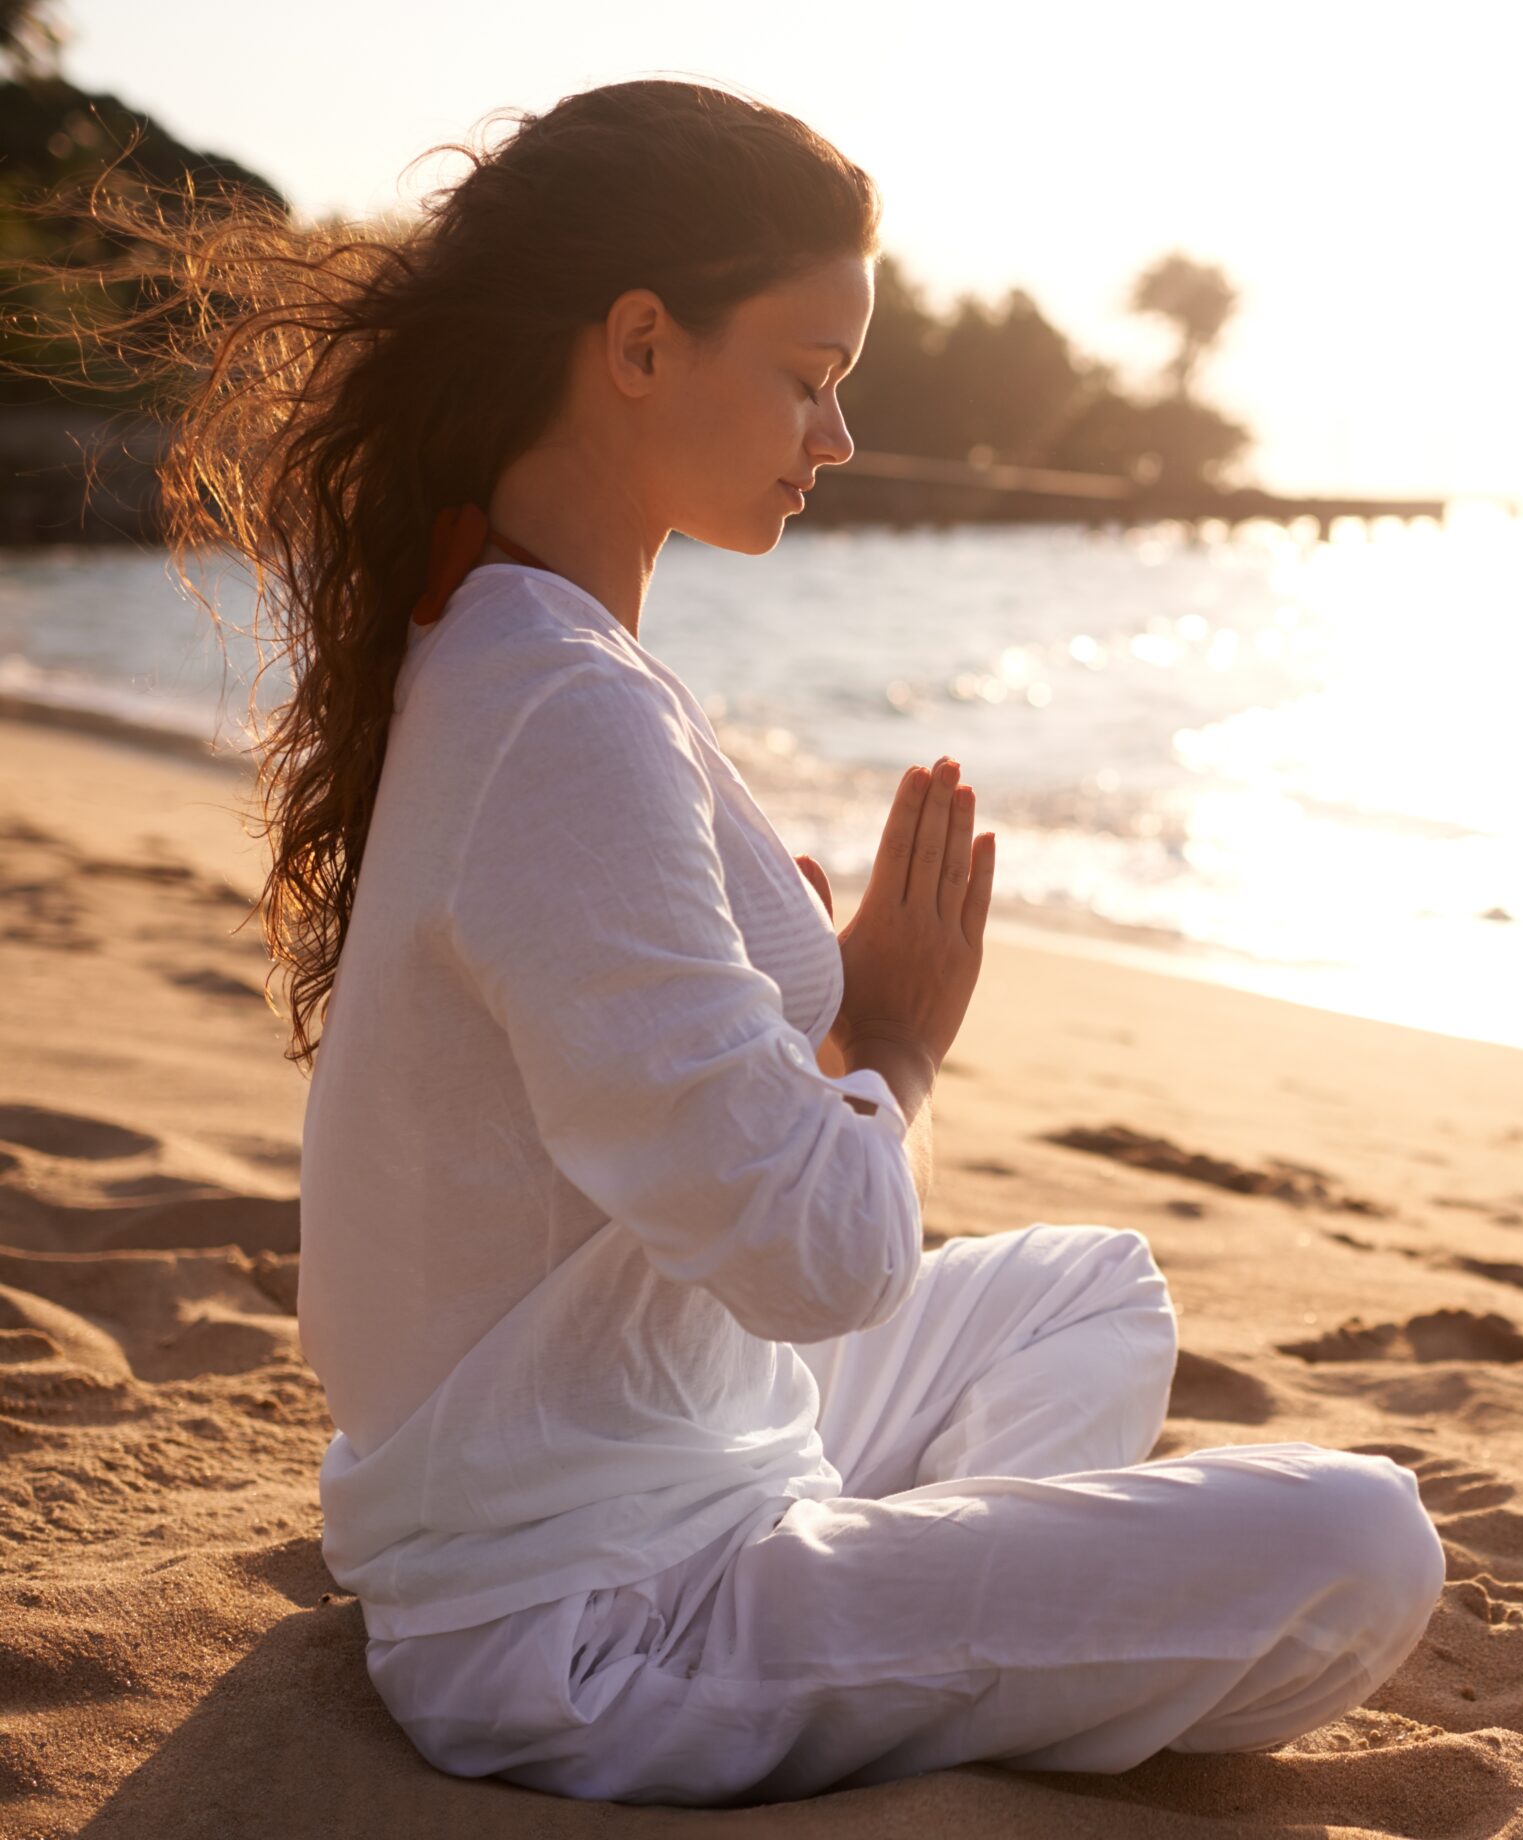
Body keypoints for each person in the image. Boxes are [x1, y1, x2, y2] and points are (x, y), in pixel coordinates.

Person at [41, 78, 1443, 1805]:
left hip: (679, 1447)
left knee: (1091, 1292)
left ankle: (895, 1618)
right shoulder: (555, 710)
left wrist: (805, 1022)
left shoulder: (523, 638)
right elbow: (818, 1263)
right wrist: (893, 1041)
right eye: (808, 375)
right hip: (588, 1607)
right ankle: (886, 1640)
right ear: (639, 343)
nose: (834, 437)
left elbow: (667, 1140)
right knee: (1361, 1545)